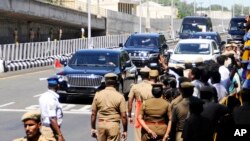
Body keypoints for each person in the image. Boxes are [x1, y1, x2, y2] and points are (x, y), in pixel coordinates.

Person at [91, 73, 127, 141]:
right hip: (113, 125)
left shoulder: (98, 95)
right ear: (116, 82)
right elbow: (124, 116)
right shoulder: (120, 96)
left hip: (101, 125)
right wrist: (125, 130)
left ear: (105, 82)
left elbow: (93, 114)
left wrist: (93, 128)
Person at [128, 66, 153, 141]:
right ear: (149, 75)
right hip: (151, 112)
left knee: (138, 135)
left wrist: (129, 115)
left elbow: (130, 102)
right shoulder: (153, 86)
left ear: (141, 76)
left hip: (139, 111)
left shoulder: (135, 87)